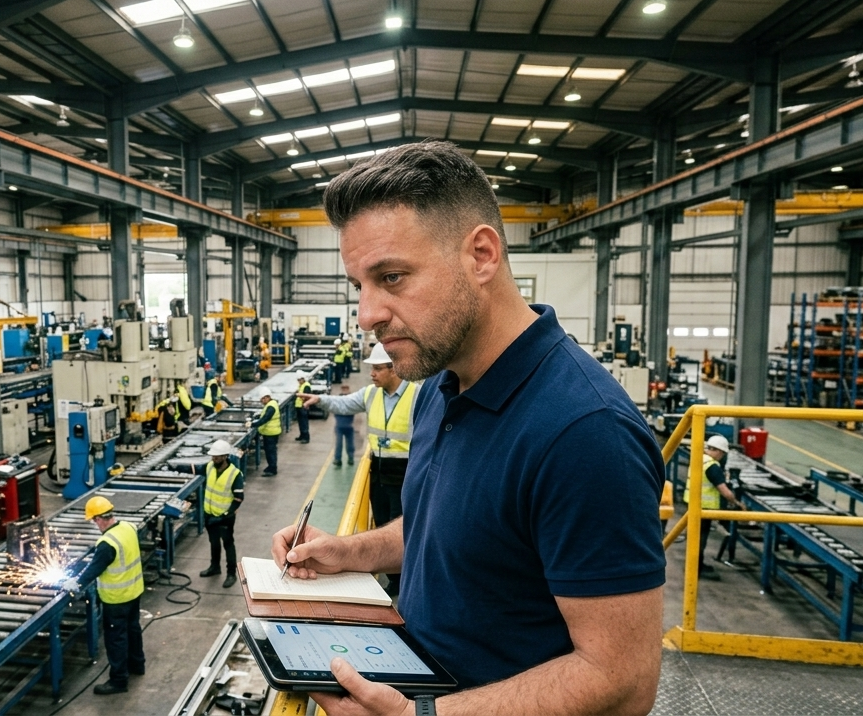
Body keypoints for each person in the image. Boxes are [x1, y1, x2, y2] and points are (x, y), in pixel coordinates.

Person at [272, 140, 664, 716]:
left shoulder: (585, 432)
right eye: (360, 285)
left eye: (393, 277)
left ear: (481, 255)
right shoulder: (440, 383)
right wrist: (346, 552)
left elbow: (621, 680)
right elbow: (446, 530)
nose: (367, 314)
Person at [301, 342, 418, 595]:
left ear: (394, 368)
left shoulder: (418, 396)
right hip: (377, 473)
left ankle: (405, 581)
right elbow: (344, 405)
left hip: (406, 474)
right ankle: (394, 579)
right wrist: (320, 399)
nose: (372, 374)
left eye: (377, 369)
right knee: (383, 523)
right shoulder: (370, 394)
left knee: (404, 529)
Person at [61, 496, 145, 695]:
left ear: (99, 518)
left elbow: (94, 570)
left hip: (116, 599)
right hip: (135, 591)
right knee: (133, 630)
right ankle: (137, 665)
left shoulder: (107, 543)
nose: (94, 525)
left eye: (93, 520)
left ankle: (118, 681)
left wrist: (76, 583)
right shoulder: (128, 527)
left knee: (116, 639)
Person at [190, 440, 245, 588]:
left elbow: (239, 499)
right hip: (210, 515)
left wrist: (226, 514)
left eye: (217, 457)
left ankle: (231, 574)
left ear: (225, 456)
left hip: (225, 518)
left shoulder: (234, 474)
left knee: (228, 544)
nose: (214, 459)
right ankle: (215, 567)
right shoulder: (209, 467)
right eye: (213, 456)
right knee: (214, 543)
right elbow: (197, 471)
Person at [692, 434, 747, 575]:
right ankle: (697, 568)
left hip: (694, 503)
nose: (723, 458)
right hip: (703, 507)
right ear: (718, 451)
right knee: (700, 539)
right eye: (723, 454)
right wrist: (736, 503)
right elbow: (724, 491)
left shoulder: (701, 459)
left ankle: (696, 565)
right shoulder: (712, 466)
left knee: (696, 538)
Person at [253, 387, 281, 476]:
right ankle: (271, 467)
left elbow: (266, 418)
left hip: (271, 433)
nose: (262, 402)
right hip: (269, 432)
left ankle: (272, 469)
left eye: (262, 399)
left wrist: (254, 424)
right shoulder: (271, 404)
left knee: (271, 451)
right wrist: (258, 417)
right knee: (269, 451)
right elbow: (265, 415)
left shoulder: (271, 406)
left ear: (267, 397)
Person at [331, 384, 355, 468]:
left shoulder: (350, 401)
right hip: (341, 426)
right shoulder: (340, 401)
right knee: (339, 443)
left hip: (347, 426)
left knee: (349, 444)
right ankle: (338, 459)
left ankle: (350, 458)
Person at [294, 373, 312, 443]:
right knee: (301, 422)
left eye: (299, 380)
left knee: (304, 422)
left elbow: (307, 397)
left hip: (303, 407)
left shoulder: (306, 386)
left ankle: (306, 438)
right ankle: (302, 435)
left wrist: (304, 404)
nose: (298, 381)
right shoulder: (301, 385)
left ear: (303, 379)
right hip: (299, 406)